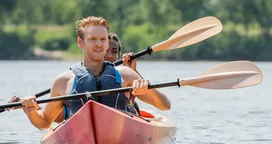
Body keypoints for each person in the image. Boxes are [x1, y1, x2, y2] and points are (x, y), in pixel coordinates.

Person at [19, 16, 170, 130]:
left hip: (120, 136)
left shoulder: (126, 75)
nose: (99, 43)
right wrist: (31, 111)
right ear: (80, 42)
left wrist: (148, 89)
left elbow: (165, 105)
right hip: (79, 141)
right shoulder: (62, 81)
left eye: (103, 39)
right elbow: (45, 121)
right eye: (92, 39)